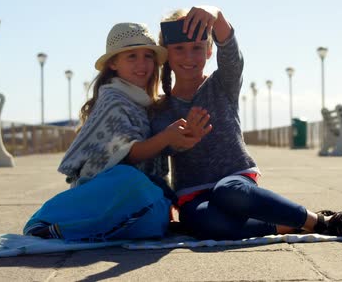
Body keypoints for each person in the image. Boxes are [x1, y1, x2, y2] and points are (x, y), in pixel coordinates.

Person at [151, 6, 342, 240]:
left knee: (228, 191)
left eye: (197, 48)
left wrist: (216, 15)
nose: (189, 57)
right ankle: (287, 225)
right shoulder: (160, 107)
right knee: (205, 224)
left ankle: (321, 221)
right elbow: (158, 160)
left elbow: (230, 51)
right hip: (193, 194)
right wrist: (180, 140)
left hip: (235, 181)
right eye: (179, 48)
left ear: (209, 50)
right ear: (166, 52)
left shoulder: (222, 84)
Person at [23, 22, 210, 241]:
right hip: (106, 189)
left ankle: (101, 226)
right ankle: (53, 221)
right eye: (131, 56)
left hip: (135, 192)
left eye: (148, 56)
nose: (142, 64)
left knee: (156, 210)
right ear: (113, 63)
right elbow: (129, 152)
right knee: (131, 180)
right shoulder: (113, 99)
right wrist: (166, 136)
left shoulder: (145, 102)